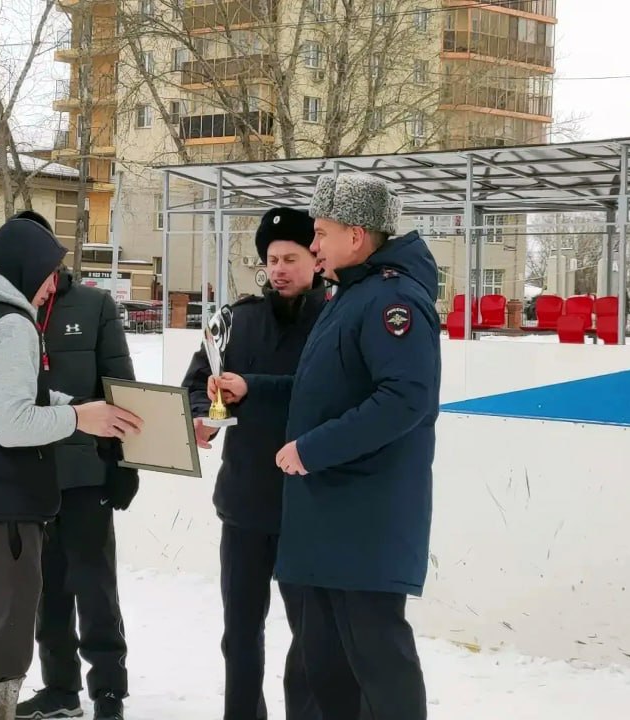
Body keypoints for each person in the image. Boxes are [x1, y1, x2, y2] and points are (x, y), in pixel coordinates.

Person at [212, 173, 441, 720]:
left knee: (378, 665)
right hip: (325, 522)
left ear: (356, 235)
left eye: (320, 232)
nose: (313, 245)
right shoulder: (354, 294)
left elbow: (405, 399)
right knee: (326, 666)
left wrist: (311, 449)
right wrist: (255, 390)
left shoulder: (394, 300)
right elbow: (323, 390)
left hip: (362, 522)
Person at [0, 216, 142, 720]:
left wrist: (79, 407)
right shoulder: (11, 324)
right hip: (0, 516)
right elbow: (11, 423)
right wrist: (78, 416)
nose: (53, 285)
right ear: (28, 269)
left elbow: (5, 398)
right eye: (50, 272)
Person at [181, 207, 327, 720]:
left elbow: (329, 397)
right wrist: (201, 415)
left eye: (291, 257)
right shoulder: (237, 321)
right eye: (272, 259)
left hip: (307, 508)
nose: (280, 268)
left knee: (310, 637)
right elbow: (199, 381)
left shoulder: (334, 321)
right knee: (240, 633)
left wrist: (255, 393)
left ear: (316, 258)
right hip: (244, 506)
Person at [12, 223, 138, 720]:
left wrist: (124, 463)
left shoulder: (93, 306)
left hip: (87, 473)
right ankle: (60, 689)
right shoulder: (7, 313)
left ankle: (108, 691)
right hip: (31, 476)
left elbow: (120, 386)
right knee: (46, 591)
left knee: (95, 586)